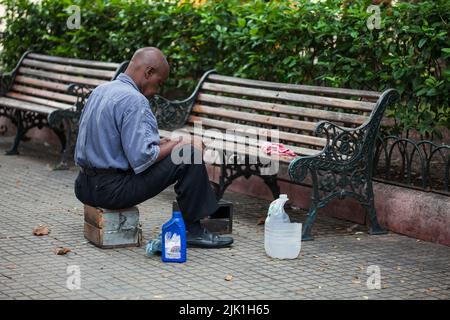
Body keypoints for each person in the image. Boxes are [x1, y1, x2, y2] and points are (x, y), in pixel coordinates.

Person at [74, 47, 233, 248]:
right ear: (148, 72)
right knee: (189, 155)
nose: (157, 91)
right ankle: (194, 231)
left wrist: (165, 143)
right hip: (111, 192)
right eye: (159, 83)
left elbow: (120, 144)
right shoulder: (134, 100)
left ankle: (199, 219)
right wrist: (179, 143)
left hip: (83, 187)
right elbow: (143, 158)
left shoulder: (101, 91)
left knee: (181, 150)